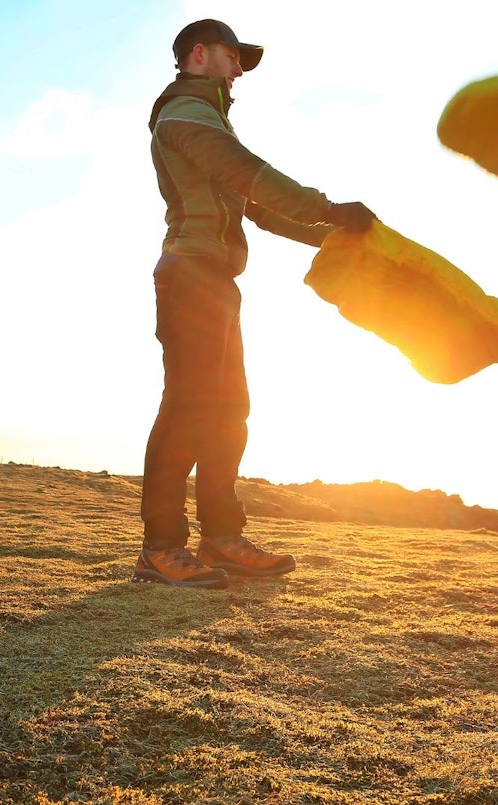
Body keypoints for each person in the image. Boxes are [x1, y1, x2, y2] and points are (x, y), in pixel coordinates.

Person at [133, 19, 377, 589]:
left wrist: (331, 235)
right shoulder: (185, 116)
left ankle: (221, 538)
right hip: (189, 274)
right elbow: (251, 176)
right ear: (199, 54)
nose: (240, 68)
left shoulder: (210, 116)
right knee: (187, 409)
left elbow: (255, 207)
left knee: (228, 410)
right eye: (232, 55)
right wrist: (329, 208)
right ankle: (160, 548)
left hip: (216, 279)